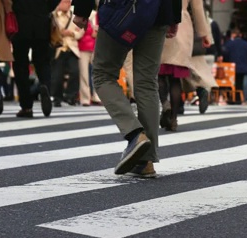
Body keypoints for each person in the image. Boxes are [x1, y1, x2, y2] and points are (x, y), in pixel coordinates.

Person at [73, 0, 181, 177]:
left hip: (120, 8)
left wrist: (81, 10)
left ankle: (134, 134)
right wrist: (173, 16)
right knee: (147, 83)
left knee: (102, 74)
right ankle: (145, 161)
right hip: (158, 10)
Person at [158, 0, 212, 130]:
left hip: (160, 21)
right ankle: (174, 119)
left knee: (159, 75)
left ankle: (165, 104)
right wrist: (204, 34)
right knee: (175, 79)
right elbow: (197, 8)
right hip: (182, 25)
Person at [12, 0, 60, 118]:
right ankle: (45, 86)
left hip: (20, 22)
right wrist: (45, 8)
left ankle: (26, 105)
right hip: (42, 21)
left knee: (20, 64)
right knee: (43, 61)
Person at [51, 0, 84, 107]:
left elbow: (81, 31)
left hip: (72, 48)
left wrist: (72, 33)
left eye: (69, 2)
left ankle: (70, 96)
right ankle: (57, 97)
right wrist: (59, 33)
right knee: (57, 75)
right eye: (65, 2)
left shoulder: (75, 16)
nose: (67, 4)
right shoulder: (53, 14)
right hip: (58, 49)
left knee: (75, 72)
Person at [77, 14, 101, 106]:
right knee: (84, 75)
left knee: (96, 73)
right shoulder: (80, 14)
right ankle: (85, 99)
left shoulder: (96, 15)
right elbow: (78, 32)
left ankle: (96, 97)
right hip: (83, 47)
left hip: (95, 47)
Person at [223, 28, 247, 104]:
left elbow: (226, 54)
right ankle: (238, 99)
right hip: (242, 67)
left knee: (230, 84)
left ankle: (231, 99)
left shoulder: (229, 44)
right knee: (239, 84)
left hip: (231, 67)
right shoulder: (246, 44)